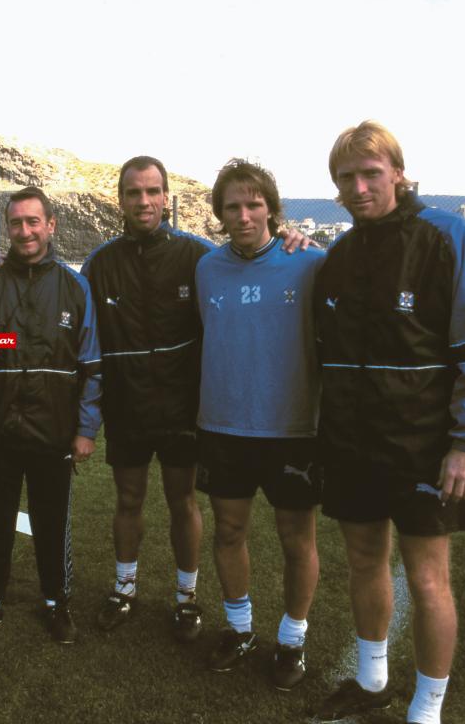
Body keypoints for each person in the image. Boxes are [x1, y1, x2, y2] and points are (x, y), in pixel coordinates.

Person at [313, 121, 465, 724]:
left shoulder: (449, 237)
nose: (359, 187)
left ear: (397, 173)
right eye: (345, 178)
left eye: (370, 174)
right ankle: (371, 682)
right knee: (364, 562)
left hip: (425, 448)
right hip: (351, 444)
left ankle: (427, 710)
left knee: (428, 581)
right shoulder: (340, 257)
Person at [81, 156, 309, 642]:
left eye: (152, 191)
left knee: (184, 501)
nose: (143, 201)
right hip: (128, 406)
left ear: (166, 197)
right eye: (133, 193)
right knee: (128, 499)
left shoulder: (198, 257)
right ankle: (124, 588)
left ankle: (187, 597)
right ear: (120, 199)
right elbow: (74, 330)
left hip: (188, 409)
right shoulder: (100, 264)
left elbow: (251, 273)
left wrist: (297, 239)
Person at [0, 186, 102, 645]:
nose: (25, 231)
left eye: (34, 222)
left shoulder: (75, 288)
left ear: (51, 225)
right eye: (17, 223)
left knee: (52, 521)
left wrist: (86, 429)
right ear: (7, 228)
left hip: (54, 431)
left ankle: (57, 603)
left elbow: (90, 365)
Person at [194, 159, 326, 689]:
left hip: (293, 428)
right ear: (220, 215)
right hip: (223, 425)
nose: (244, 214)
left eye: (254, 204)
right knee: (228, 531)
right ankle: (240, 628)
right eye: (232, 206)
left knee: (297, 538)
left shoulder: (310, 261)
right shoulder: (207, 267)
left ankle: (293, 639)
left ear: (272, 207)